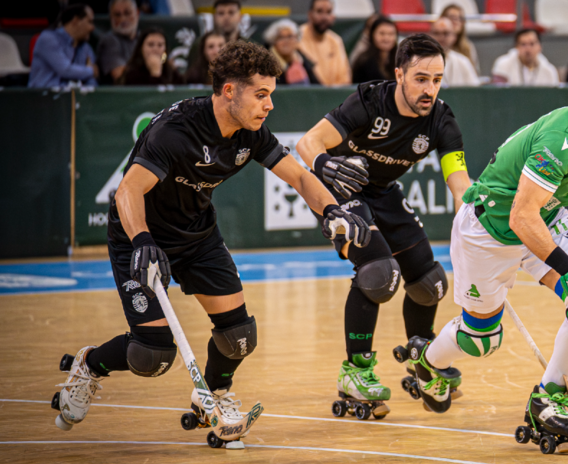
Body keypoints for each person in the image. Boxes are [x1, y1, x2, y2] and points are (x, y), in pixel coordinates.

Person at [52, 40, 371, 442]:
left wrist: (331, 211)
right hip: (140, 236)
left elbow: (300, 176)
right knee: (152, 354)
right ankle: (89, 366)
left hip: (197, 236)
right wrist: (143, 241)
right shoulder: (175, 131)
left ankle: (213, 397)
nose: (268, 105)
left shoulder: (250, 132)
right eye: (261, 95)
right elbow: (128, 192)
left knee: (239, 336)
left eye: (270, 95)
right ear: (228, 92)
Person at [401, 66, 568, 451]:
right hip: (491, 231)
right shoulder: (563, 140)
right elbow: (519, 217)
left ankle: (547, 398)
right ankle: (429, 361)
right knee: (480, 340)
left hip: (545, 218)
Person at [296, 34, 471, 418]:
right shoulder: (369, 101)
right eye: (421, 79)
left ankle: (424, 360)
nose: (430, 90)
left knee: (431, 282)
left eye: (437, 79)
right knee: (379, 273)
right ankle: (355, 371)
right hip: (338, 189)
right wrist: (326, 165)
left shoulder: (440, 117)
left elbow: (459, 178)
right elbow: (308, 143)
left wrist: (468, 211)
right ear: (399, 75)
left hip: (382, 191)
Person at [28, 4, 98, 88]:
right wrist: (90, 71)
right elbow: (65, 70)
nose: (92, 28)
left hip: (73, 98)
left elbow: (91, 80)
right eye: (89, 22)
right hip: (42, 97)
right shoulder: (48, 39)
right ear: (75, 21)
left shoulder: (86, 48)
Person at [299, 0, 351, 86]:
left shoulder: (336, 41)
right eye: (319, 11)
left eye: (328, 12)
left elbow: (345, 80)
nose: (324, 17)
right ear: (310, 15)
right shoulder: (297, 37)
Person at [491, 28, 558, 86]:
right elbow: (498, 94)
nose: (528, 49)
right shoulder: (503, 64)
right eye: (523, 44)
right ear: (516, 47)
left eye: (532, 44)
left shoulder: (549, 71)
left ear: (540, 47)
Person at [263, 19, 320, 86]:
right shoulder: (266, 63)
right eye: (281, 37)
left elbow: (317, 86)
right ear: (273, 42)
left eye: (290, 36)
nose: (286, 41)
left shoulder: (301, 59)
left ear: (296, 39)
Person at [120, 28, 186, 85]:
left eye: (160, 45)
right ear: (141, 49)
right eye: (150, 45)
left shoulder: (170, 71)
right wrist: (155, 74)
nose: (155, 49)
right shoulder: (132, 74)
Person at [96, 0, 139, 84]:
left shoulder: (143, 38)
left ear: (137, 13)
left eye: (127, 13)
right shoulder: (109, 41)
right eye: (117, 15)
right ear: (110, 17)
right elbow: (120, 76)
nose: (123, 19)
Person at [430, 17, 479, 87]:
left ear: (454, 37)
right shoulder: (421, 62)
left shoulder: (463, 61)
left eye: (446, 33)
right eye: (436, 33)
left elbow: (475, 90)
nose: (441, 37)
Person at [351, 17, 397, 84]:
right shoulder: (363, 62)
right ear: (372, 35)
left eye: (391, 34)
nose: (386, 38)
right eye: (382, 33)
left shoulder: (400, 60)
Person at [440, 4, 479, 74]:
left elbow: (474, 74)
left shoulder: (468, 47)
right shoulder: (436, 45)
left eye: (460, 18)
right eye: (452, 17)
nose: (456, 21)